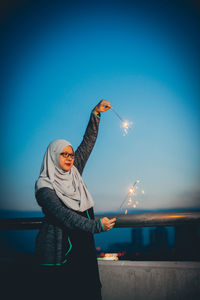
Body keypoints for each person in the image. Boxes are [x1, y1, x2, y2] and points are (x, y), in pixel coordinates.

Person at [34, 100, 116, 299]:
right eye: (63, 154)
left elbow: (87, 143)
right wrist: (97, 226)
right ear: (53, 157)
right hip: (61, 249)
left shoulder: (74, 173)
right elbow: (64, 215)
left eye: (70, 154)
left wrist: (96, 113)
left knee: (88, 290)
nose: (69, 158)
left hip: (83, 244)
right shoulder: (45, 186)